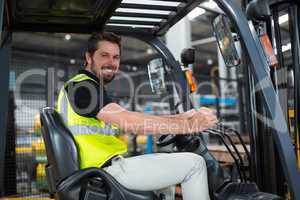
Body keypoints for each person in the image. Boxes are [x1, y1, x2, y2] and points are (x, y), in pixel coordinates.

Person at [56, 32, 217, 200]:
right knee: (195, 164)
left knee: (166, 175)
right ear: (89, 57)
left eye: (116, 57)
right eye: (104, 55)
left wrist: (183, 118)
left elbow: (130, 116)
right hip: (102, 172)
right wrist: (190, 125)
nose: (111, 62)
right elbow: (129, 122)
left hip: (102, 169)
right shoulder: (83, 87)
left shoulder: (85, 86)